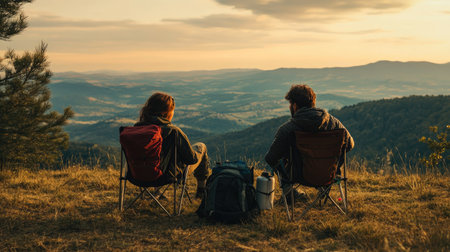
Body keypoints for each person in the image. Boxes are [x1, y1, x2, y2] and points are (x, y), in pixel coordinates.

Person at [265, 84, 354, 203]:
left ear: (295, 106)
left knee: (278, 161)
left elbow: (270, 158)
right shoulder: (334, 123)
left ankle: (289, 193)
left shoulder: (288, 129)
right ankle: (324, 188)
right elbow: (350, 145)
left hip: (300, 176)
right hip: (328, 176)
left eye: (290, 104)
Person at [135, 92, 211, 198]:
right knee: (201, 146)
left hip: (137, 175)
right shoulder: (173, 131)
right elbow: (191, 159)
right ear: (167, 112)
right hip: (168, 176)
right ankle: (201, 190)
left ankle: (157, 192)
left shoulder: (136, 130)